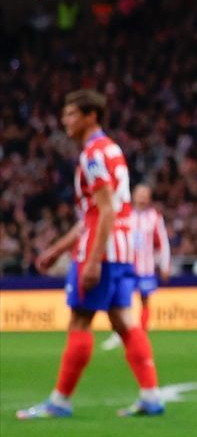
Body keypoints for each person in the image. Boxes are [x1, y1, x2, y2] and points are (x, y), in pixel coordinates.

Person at [17, 90, 165, 420]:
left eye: (71, 114)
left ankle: (60, 401)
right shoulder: (112, 148)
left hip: (104, 249)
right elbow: (95, 214)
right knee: (124, 321)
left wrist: (94, 259)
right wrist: (57, 249)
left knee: (80, 321)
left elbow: (105, 211)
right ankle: (151, 396)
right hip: (123, 249)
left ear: (90, 116)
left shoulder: (93, 154)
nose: (65, 121)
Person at [101, 184, 170, 352]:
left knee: (145, 301)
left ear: (150, 198)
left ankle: (142, 335)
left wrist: (165, 264)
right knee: (121, 301)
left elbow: (162, 242)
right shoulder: (125, 215)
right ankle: (119, 334)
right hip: (126, 265)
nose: (142, 198)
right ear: (133, 196)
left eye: (146, 195)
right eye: (140, 194)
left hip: (146, 268)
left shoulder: (154, 217)